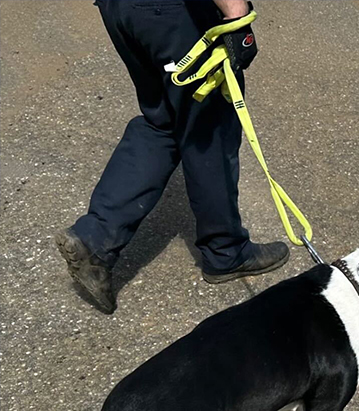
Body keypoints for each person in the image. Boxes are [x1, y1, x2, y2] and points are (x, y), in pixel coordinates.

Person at [56, 0, 289, 314]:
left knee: (162, 122)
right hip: (173, 14)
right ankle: (225, 251)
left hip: (122, 10)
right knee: (209, 128)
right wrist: (236, 14)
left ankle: (95, 238)